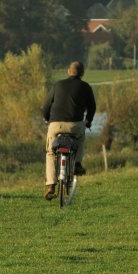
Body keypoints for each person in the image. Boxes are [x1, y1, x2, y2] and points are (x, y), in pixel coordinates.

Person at [41, 61, 96, 200]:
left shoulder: (58, 85)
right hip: (75, 125)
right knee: (81, 139)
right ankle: (77, 163)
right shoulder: (85, 87)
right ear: (82, 73)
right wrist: (88, 121)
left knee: (51, 153)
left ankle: (51, 186)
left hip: (56, 124)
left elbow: (46, 106)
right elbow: (92, 107)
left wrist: (46, 118)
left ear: (68, 71)